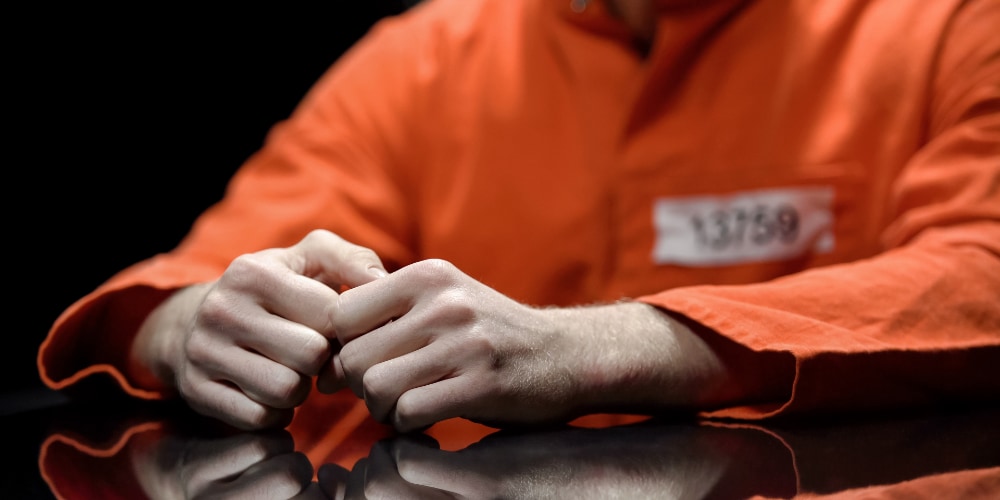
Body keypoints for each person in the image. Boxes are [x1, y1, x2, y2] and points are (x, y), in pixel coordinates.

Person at [38, 0, 1000, 436]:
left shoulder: (951, 23)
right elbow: (188, 283)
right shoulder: (423, 59)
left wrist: (603, 348)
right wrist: (189, 326)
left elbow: (981, 275)